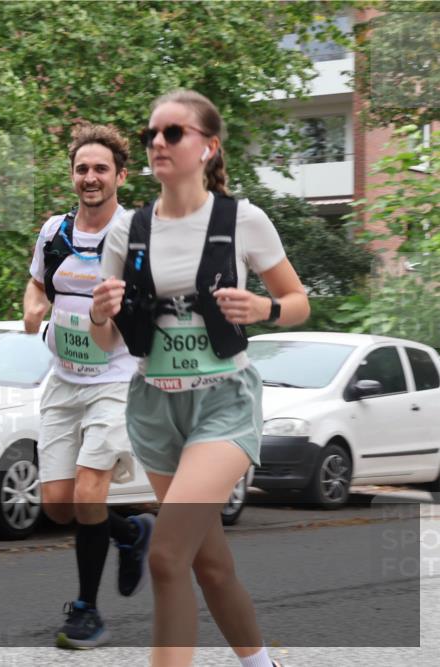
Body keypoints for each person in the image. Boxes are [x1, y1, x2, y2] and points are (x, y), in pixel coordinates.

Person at [92, 90, 308, 667]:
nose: (157, 143)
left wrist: (266, 310)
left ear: (208, 146)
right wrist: (100, 314)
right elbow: (105, 343)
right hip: (154, 407)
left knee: (165, 557)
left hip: (224, 402)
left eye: (172, 133)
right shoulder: (127, 231)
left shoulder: (243, 219)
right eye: (150, 135)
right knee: (208, 563)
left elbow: (297, 300)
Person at [24, 123, 155, 650]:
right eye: (82, 169)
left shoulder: (134, 235)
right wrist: (35, 307)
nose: (90, 177)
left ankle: (86, 610)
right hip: (62, 380)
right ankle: (130, 533)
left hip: (116, 381)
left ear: (120, 175)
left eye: (101, 168)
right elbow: (38, 282)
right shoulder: (54, 232)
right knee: (58, 504)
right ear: (73, 176)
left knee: (88, 491)